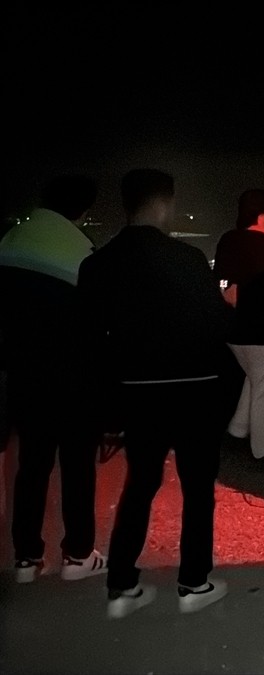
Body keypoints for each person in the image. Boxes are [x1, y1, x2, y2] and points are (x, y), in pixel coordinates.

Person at [77, 168, 233, 618]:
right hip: (194, 390)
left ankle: (122, 584)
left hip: (137, 392)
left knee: (140, 484)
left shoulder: (99, 264)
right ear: (163, 204)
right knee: (198, 488)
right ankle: (193, 582)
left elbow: (90, 338)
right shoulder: (186, 258)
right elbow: (216, 324)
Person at [0, 174, 108, 583]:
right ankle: (78, 555)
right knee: (78, 466)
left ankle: (26, 558)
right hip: (75, 378)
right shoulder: (81, 249)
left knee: (32, 466)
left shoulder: (11, 240)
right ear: (83, 209)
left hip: (26, 374)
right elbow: (98, 322)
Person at [212, 189, 264, 472]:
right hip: (262, 334)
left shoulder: (228, 240)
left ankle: (236, 431)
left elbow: (224, 287)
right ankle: (262, 450)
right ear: (263, 216)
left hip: (232, 333)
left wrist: (231, 295)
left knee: (254, 378)